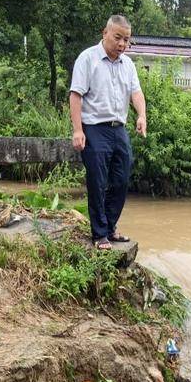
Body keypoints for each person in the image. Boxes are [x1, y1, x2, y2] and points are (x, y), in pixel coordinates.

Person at [69, 15, 147, 250]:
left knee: (121, 180)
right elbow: (76, 95)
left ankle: (110, 227)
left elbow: (136, 93)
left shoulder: (128, 64)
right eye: (118, 38)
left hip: (118, 129)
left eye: (126, 40)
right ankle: (99, 233)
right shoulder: (88, 58)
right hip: (94, 129)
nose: (122, 44)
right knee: (97, 181)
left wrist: (142, 115)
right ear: (105, 33)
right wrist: (77, 130)